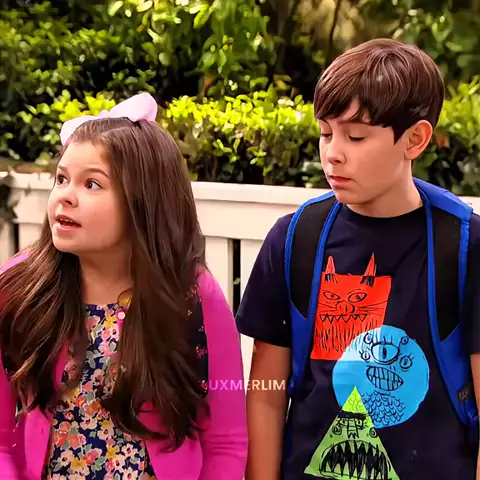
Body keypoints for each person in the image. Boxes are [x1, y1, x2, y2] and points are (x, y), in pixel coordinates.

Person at [236, 38, 480, 479]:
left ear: (415, 139)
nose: (333, 152)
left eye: (356, 136)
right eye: (325, 132)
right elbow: (267, 394)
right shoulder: (294, 239)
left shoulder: (465, 246)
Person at [0, 92, 247, 479]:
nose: (65, 196)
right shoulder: (20, 287)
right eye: (62, 179)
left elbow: (226, 441)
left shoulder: (192, 295)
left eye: (92, 184)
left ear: (144, 202)